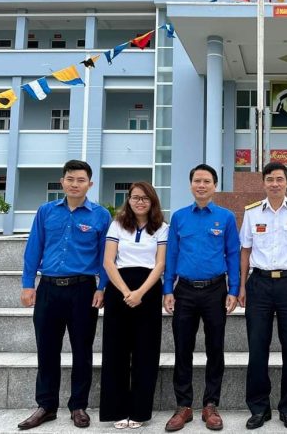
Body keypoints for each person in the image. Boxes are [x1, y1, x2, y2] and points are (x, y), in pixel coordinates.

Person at [18, 160, 111, 430]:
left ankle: (78, 405)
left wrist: (102, 287)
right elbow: (34, 247)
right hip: (48, 289)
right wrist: (28, 284)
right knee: (47, 349)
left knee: (82, 350)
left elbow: (106, 255)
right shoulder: (46, 211)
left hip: (83, 290)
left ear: (90, 184)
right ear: (62, 182)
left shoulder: (100, 215)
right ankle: (46, 406)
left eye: (81, 180)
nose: (75, 184)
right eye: (70, 179)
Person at [238, 162, 287, 431]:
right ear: (263, 183)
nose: (275, 184)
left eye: (279, 179)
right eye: (270, 179)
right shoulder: (252, 213)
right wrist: (242, 286)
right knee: (257, 348)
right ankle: (259, 408)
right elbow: (245, 251)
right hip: (259, 284)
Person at [163, 164, 240, 432]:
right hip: (184, 290)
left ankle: (211, 404)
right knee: (182, 348)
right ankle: (183, 406)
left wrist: (233, 290)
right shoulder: (179, 217)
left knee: (215, 348)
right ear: (191, 185)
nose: (202, 185)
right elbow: (171, 254)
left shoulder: (226, 217)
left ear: (214, 185)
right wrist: (168, 289)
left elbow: (233, 254)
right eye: (197, 180)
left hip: (215, 290)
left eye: (207, 181)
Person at [99, 181, 168, 429]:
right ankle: (116, 410)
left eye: (145, 198)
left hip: (148, 290)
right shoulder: (117, 225)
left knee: (145, 352)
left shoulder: (162, 228)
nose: (140, 202)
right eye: (135, 197)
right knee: (115, 351)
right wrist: (126, 291)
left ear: (152, 201)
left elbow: (160, 264)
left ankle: (139, 411)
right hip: (119, 289)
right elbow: (108, 261)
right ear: (128, 200)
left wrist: (139, 293)